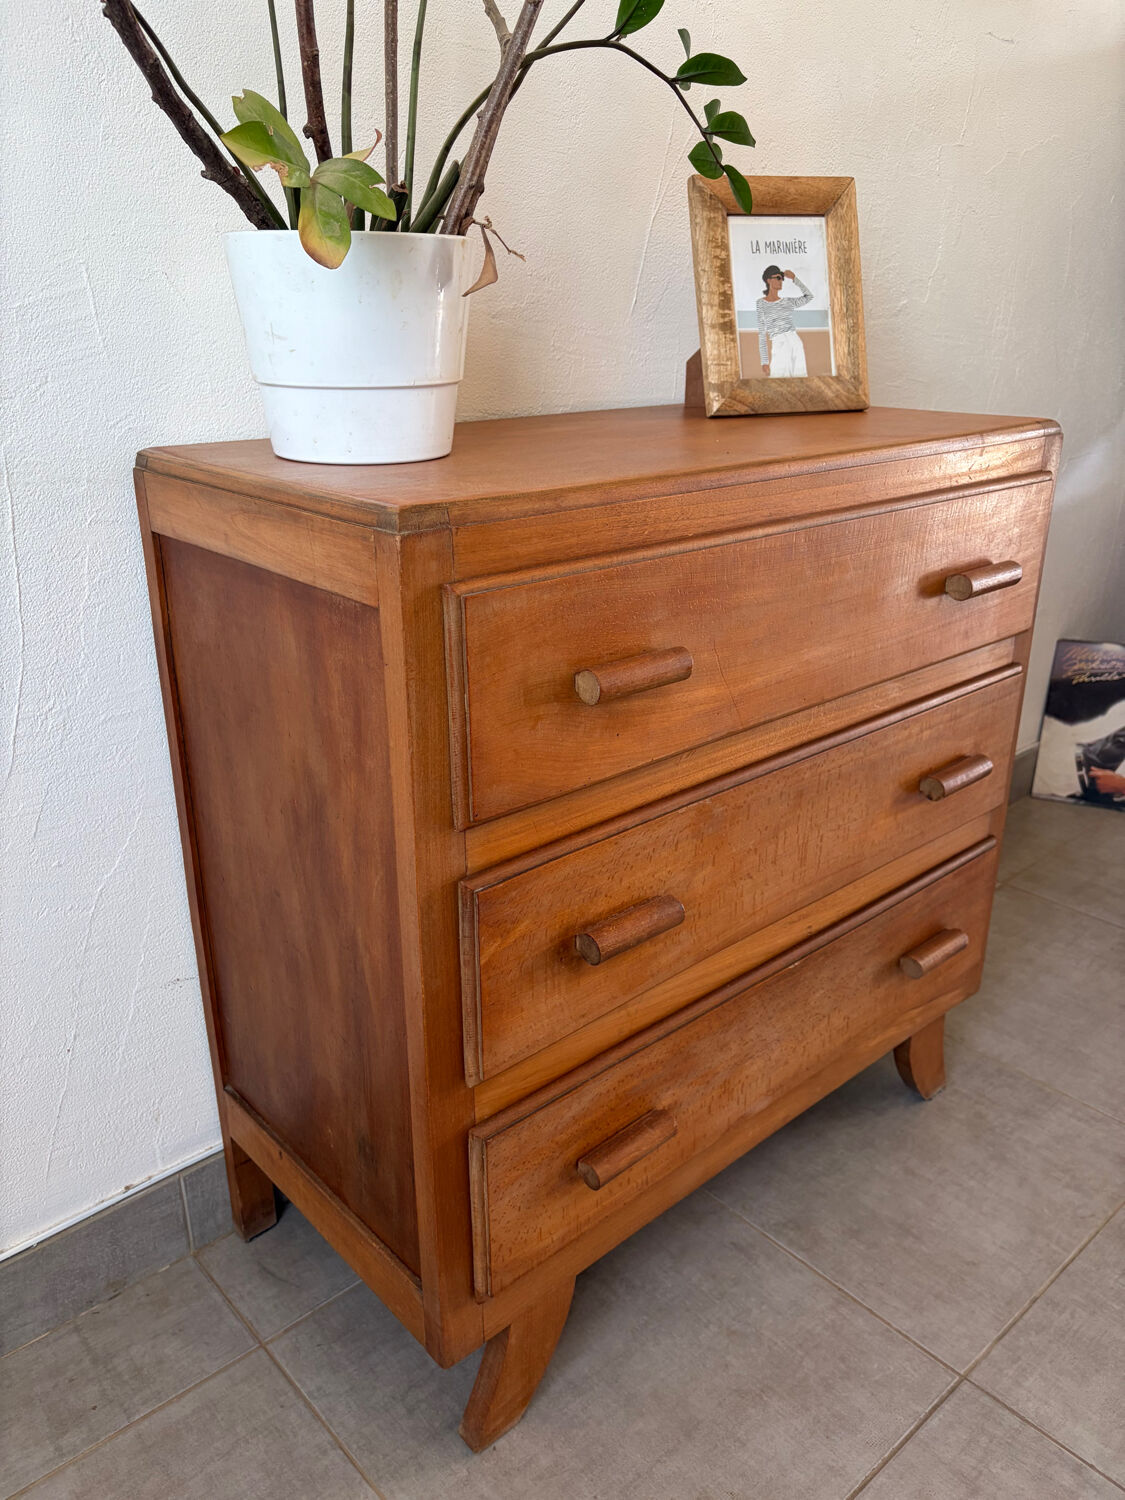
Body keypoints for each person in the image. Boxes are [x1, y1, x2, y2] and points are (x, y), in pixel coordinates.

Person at [757, 266, 813, 376]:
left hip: (795, 341)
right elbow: (762, 334)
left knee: (800, 380)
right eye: (778, 277)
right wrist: (764, 361)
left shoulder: (787, 302)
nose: (781, 281)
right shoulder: (761, 303)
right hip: (779, 343)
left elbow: (809, 296)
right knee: (778, 382)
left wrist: (794, 279)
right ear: (769, 280)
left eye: (782, 278)